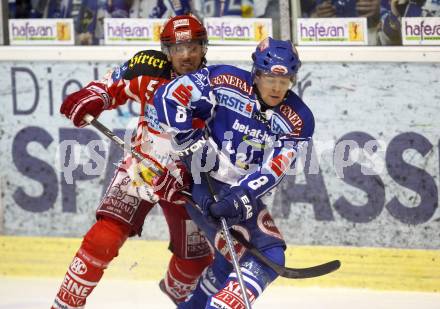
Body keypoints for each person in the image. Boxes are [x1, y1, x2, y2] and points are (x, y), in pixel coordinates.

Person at [51, 14, 214, 309]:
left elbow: (220, 147)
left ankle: (180, 297)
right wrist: (92, 96)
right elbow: (110, 85)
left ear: (204, 47)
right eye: (178, 49)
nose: (186, 55)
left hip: (189, 183)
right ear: (166, 51)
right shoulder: (147, 68)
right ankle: (63, 306)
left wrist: (190, 178)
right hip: (143, 168)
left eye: (193, 47)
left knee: (195, 262)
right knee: (103, 239)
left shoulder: (217, 88)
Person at [153, 37, 315, 308]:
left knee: (243, 258)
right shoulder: (224, 79)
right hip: (202, 182)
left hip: (238, 193)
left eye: (284, 80)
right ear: (256, 73)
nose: (276, 88)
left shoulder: (298, 118)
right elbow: (169, 95)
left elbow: (277, 166)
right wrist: (188, 139)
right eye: (269, 79)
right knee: (268, 254)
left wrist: (243, 195)